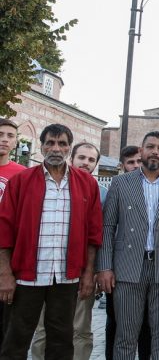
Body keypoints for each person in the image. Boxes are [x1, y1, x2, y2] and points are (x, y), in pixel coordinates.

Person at [0, 124, 102, 359]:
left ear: (69, 148)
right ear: (42, 146)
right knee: (15, 340)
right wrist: (4, 274)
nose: (56, 148)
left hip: (66, 277)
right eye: (50, 143)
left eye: (62, 143)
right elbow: (4, 231)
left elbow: (93, 234)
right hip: (26, 276)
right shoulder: (21, 181)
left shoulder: (87, 184)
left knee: (61, 341)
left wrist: (88, 273)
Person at [96, 131, 159, 359]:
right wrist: (105, 267)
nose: (155, 151)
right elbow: (108, 227)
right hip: (128, 269)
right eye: (150, 146)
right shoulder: (120, 183)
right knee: (126, 336)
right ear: (141, 151)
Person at [32, 142, 107, 360]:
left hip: (82, 271)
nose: (86, 163)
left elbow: (100, 235)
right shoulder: (52, 186)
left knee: (80, 328)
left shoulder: (102, 193)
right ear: (71, 158)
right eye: (82, 157)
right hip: (46, 269)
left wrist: (94, 271)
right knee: (43, 329)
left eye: (91, 160)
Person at [102, 145, 150, 360]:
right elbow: (107, 229)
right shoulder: (117, 187)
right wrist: (106, 267)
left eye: (139, 161)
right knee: (116, 322)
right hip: (120, 269)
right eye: (131, 162)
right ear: (122, 166)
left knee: (147, 324)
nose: (136, 166)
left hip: (148, 268)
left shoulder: (153, 188)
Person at [0, 118, 25, 344]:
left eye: (9, 136)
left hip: (8, 255)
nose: (4, 140)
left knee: (6, 326)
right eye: (1, 134)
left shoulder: (22, 174)